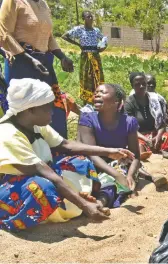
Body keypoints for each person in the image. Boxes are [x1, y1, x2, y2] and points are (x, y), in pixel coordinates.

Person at [0, 78, 136, 231]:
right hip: (14, 188)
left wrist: (110, 151)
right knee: (42, 187)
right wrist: (85, 206)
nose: (52, 111)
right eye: (47, 108)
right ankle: (66, 207)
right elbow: (45, 172)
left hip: (45, 174)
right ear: (30, 110)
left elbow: (66, 145)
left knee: (80, 162)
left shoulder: (33, 124)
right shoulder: (8, 134)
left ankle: (73, 202)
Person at [78, 84, 168, 207]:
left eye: (103, 92)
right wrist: (116, 175)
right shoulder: (87, 119)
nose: (97, 94)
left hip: (118, 162)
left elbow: (135, 155)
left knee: (122, 169)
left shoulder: (129, 122)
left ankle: (102, 201)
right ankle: (134, 181)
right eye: (96, 92)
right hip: (92, 163)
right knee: (113, 175)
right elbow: (92, 154)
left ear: (116, 102)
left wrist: (129, 175)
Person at [0, 0, 74, 139]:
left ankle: (54, 146)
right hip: (21, 62)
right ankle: (26, 148)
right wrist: (30, 59)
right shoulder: (13, 2)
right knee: (25, 109)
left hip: (44, 62)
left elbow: (49, 36)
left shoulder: (43, 4)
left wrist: (62, 57)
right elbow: (5, 33)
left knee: (48, 105)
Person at [62, 11, 106, 104]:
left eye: (91, 16)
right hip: (85, 56)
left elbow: (103, 39)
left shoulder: (96, 30)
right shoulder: (79, 29)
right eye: (88, 17)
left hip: (95, 56)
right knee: (86, 77)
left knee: (97, 75)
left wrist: (103, 47)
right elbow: (65, 36)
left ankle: (98, 96)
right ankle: (86, 99)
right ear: (83, 19)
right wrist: (78, 44)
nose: (90, 18)